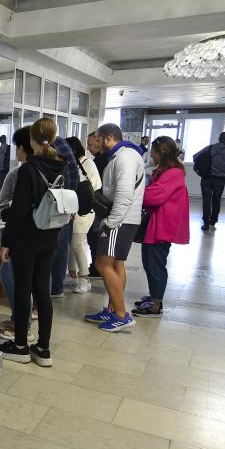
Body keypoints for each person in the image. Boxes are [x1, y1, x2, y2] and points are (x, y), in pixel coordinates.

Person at [0, 118, 68, 366]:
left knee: (24, 291)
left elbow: (20, 210)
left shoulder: (28, 169)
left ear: (32, 141)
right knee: (42, 292)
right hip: (50, 236)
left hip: (27, 239)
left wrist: (7, 243)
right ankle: (44, 348)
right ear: (54, 138)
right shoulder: (61, 166)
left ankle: (21, 346)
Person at [84, 123, 145, 332]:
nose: (97, 145)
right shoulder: (122, 156)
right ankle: (112, 309)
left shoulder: (125, 157)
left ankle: (121, 314)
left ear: (109, 138)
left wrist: (110, 223)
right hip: (124, 219)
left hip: (120, 220)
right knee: (117, 264)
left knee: (102, 263)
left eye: (99, 140)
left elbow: (124, 194)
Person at [133, 137, 190, 318]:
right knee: (150, 262)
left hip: (163, 226)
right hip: (157, 223)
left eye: (154, 152)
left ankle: (156, 305)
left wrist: (136, 191)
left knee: (155, 264)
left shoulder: (173, 173)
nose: (151, 155)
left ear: (161, 153)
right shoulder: (165, 171)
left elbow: (153, 196)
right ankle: (154, 296)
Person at [0, 127, 35, 342]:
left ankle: (23, 327)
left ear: (21, 148)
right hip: (40, 237)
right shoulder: (48, 169)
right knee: (20, 280)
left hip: (21, 237)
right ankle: (18, 320)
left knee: (12, 278)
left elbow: (7, 208)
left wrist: (7, 241)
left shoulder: (21, 172)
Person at [66, 136, 101, 294]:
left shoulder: (88, 163)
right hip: (74, 209)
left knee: (77, 243)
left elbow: (96, 185)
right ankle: (72, 271)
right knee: (72, 240)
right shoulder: (72, 164)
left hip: (85, 211)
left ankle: (85, 279)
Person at [48, 132, 80, 299]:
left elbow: (70, 173)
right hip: (65, 203)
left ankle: (53, 288)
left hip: (56, 206)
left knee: (56, 248)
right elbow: (73, 173)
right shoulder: (61, 145)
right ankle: (56, 287)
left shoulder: (55, 146)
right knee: (61, 247)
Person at [194, 131, 225, 232]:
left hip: (206, 178)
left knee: (206, 201)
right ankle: (213, 222)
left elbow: (195, 157)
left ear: (219, 138)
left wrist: (205, 166)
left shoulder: (209, 148)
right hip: (220, 180)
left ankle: (205, 223)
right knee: (216, 200)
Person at [85, 130, 108, 278]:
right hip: (101, 203)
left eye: (90, 144)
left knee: (94, 236)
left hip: (101, 204)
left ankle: (97, 266)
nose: (88, 148)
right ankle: (96, 265)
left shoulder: (100, 161)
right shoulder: (102, 159)